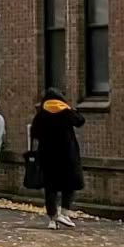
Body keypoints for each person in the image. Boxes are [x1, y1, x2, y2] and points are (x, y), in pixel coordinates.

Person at [30, 89, 86, 228]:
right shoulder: (66, 112)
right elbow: (80, 121)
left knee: (50, 188)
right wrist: (69, 108)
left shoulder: (41, 114)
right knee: (69, 185)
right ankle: (65, 213)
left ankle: (52, 219)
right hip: (67, 156)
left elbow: (34, 133)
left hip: (47, 156)